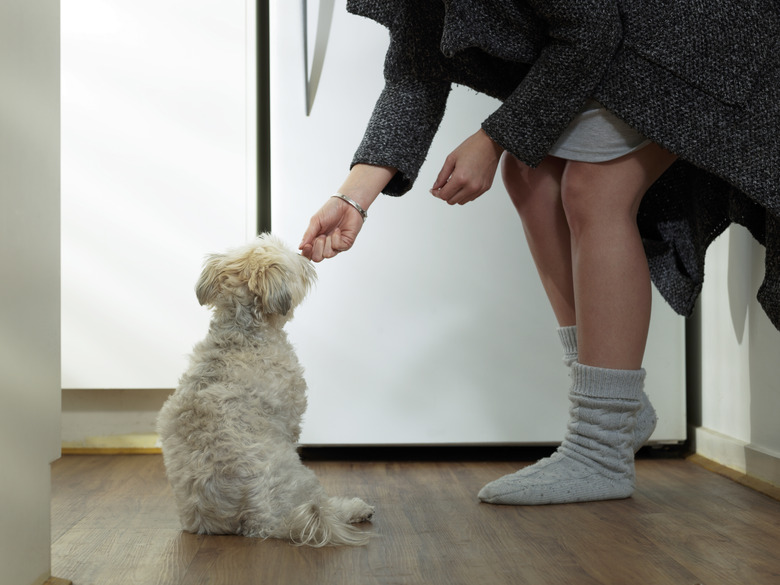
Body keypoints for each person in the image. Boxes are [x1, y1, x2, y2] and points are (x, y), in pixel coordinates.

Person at [299, 0, 780, 505]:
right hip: (622, 34)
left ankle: (601, 447)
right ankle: (619, 409)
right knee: (530, 175)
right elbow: (417, 68)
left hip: (695, 27)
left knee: (595, 188)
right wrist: (352, 198)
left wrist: (492, 137)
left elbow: (589, 30)